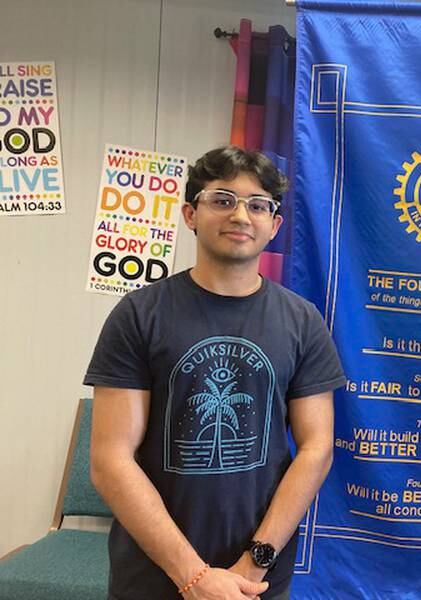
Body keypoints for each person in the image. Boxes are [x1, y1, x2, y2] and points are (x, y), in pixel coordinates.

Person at [86, 146, 345, 600]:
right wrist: (194, 576)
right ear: (190, 213)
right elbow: (111, 461)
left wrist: (255, 559)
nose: (241, 215)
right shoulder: (138, 315)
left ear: (274, 225)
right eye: (222, 199)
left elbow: (317, 447)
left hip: (256, 578)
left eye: (258, 205)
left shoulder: (303, 322)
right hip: (153, 576)